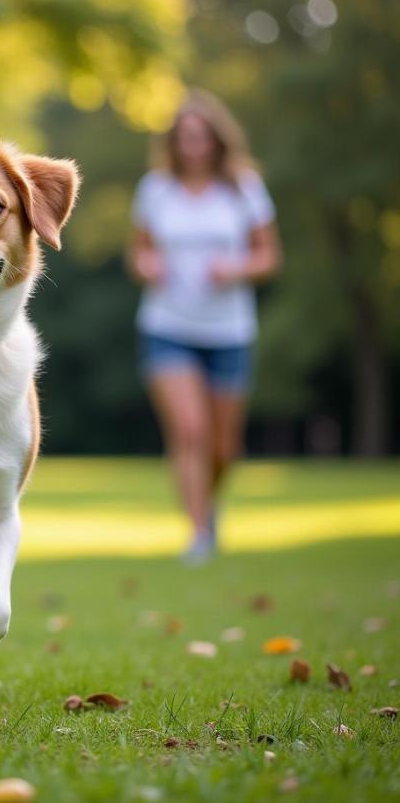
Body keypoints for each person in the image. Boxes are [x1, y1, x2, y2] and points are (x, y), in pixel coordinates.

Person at [127, 89, 282, 564]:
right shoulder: (155, 189)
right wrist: (149, 265)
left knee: (223, 447)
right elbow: (139, 253)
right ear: (174, 143)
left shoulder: (244, 188)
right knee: (190, 432)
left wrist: (235, 268)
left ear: (217, 140)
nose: (193, 145)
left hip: (229, 330)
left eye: (201, 136)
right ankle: (198, 534)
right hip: (167, 325)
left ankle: (207, 508)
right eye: (184, 137)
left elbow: (269, 255)